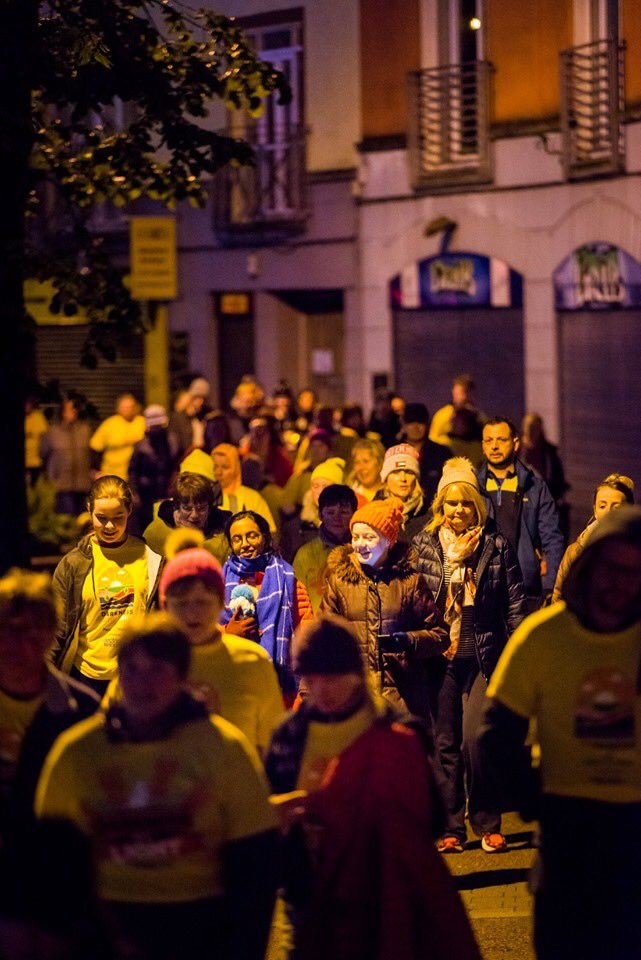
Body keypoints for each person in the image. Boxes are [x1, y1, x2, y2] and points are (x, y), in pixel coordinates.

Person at [36, 614, 278, 960]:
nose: (142, 682)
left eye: (157, 669)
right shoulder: (78, 752)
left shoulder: (223, 748)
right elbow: (52, 862)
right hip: (104, 926)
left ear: (182, 676)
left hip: (197, 926)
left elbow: (255, 862)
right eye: (131, 669)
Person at [265, 615, 482, 960]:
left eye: (333, 675)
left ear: (355, 671)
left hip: (384, 892)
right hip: (311, 893)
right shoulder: (288, 736)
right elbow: (269, 817)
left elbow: (433, 819)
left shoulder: (397, 730)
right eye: (311, 676)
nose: (322, 689)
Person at [479, 506, 641, 960]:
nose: (620, 584)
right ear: (591, 566)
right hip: (569, 824)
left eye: (634, 573)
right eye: (612, 569)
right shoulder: (544, 636)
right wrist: (534, 800)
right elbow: (495, 731)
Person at [412, 458, 527, 853]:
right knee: (444, 742)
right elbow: (419, 601)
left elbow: (513, 606)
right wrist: (450, 570)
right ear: (440, 506)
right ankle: (451, 827)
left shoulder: (495, 545)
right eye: (450, 503)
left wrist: (515, 662)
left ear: (477, 505)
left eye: (465, 503)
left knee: (477, 738)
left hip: (483, 655)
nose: (458, 511)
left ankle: (486, 821)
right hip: (440, 657)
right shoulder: (424, 545)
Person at [320, 497, 447, 721]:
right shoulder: (339, 580)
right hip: (355, 698)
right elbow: (323, 637)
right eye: (356, 537)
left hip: (401, 699)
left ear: (388, 541)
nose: (360, 544)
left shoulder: (409, 581)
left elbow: (440, 635)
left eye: (369, 537)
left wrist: (409, 641)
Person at [0, 569, 98, 836]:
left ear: (52, 633)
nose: (21, 645)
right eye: (11, 630)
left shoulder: (83, 710)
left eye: (34, 632)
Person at [51, 475, 163, 699]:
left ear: (129, 511)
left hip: (136, 675)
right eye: (101, 518)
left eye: (118, 517)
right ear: (89, 510)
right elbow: (56, 630)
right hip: (86, 678)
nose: (110, 526)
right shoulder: (73, 565)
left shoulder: (151, 559)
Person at [221, 511, 313, 698]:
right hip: (232, 687)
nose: (245, 544)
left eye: (252, 536)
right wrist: (226, 633)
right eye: (237, 539)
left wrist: (305, 690)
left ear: (265, 538)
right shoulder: (217, 584)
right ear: (231, 544)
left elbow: (307, 638)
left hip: (282, 692)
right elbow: (200, 634)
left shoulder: (289, 582)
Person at [479, 417, 564, 610]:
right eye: (489, 440)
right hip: (482, 589)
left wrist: (549, 587)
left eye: (501, 440)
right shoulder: (473, 487)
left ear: (515, 443)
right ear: (483, 445)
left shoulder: (535, 487)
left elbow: (552, 539)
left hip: (526, 589)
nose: (494, 446)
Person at [552, 472, 635, 602]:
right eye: (602, 506)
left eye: (616, 507)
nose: (608, 512)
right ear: (595, 510)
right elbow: (559, 597)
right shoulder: (576, 552)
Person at [143, 452, 231, 564]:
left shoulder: (223, 539)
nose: (194, 515)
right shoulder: (156, 534)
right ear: (176, 506)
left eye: (201, 508)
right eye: (187, 508)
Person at [293, 484, 357, 613]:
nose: (337, 518)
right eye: (330, 512)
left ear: (354, 514)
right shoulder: (305, 554)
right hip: (318, 627)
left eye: (344, 512)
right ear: (320, 515)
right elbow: (296, 599)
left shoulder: (362, 552)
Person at [128, 405, 180, 534]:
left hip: (166, 493)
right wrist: (135, 494)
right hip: (146, 495)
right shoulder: (141, 446)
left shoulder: (172, 441)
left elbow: (176, 465)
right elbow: (133, 472)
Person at [40, 395, 92, 515]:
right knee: (66, 519)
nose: (73, 411)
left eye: (75, 408)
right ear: (62, 412)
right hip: (62, 486)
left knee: (83, 521)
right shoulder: (52, 432)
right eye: (70, 409)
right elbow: (43, 454)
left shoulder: (85, 430)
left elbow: (91, 454)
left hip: (82, 485)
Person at [211, 442, 276, 531]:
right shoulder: (209, 498)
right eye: (215, 467)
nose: (219, 472)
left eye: (225, 467)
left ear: (235, 468)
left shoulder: (252, 497)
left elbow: (269, 530)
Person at [374, 443, 430, 541]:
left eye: (409, 472)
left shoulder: (428, 514)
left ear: (416, 478)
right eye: (396, 472)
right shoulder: (373, 512)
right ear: (386, 478)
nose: (403, 478)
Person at [399, 401, 449, 506]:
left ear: (427, 425)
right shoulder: (394, 452)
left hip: (434, 509)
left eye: (420, 422)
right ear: (403, 424)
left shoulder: (441, 453)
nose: (416, 426)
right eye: (411, 422)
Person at [429, 375, 485, 467]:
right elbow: (433, 440)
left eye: (464, 393)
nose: (462, 397)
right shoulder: (444, 414)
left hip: (474, 467)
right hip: (451, 467)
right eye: (458, 393)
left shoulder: (479, 417)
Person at [89, 394, 145, 481]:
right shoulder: (109, 424)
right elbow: (95, 448)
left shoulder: (142, 423)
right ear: (118, 408)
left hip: (136, 477)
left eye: (131, 407)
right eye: (125, 407)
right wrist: (96, 471)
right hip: (112, 476)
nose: (128, 410)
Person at [169, 378, 210, 457]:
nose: (201, 402)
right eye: (197, 397)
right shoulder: (177, 418)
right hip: (183, 461)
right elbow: (174, 445)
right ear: (191, 397)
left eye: (204, 399)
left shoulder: (203, 418)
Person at [347, 437, 385, 503]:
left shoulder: (391, 494)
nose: (361, 467)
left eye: (366, 461)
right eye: (357, 462)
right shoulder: (349, 498)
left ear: (379, 464)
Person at [24, 396, 49, 487]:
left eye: (28, 403)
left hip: (36, 462)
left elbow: (46, 438)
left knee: (34, 488)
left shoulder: (38, 418)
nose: (27, 406)